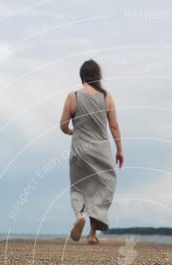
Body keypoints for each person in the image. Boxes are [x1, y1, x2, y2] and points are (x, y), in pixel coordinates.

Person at [60, 59, 123, 244]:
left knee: (78, 186)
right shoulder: (106, 97)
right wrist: (119, 150)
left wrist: (72, 131)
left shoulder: (73, 96)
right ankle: (93, 233)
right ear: (98, 76)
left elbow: (63, 125)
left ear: (81, 76)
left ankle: (79, 215)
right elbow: (114, 125)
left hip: (80, 149)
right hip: (101, 150)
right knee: (104, 187)